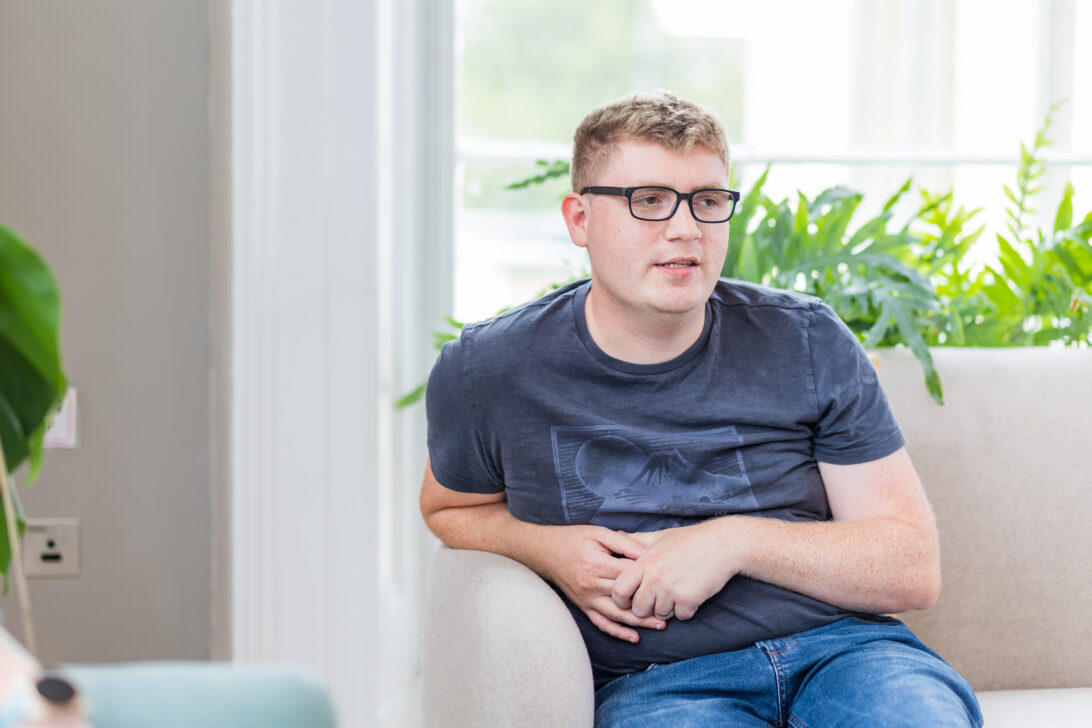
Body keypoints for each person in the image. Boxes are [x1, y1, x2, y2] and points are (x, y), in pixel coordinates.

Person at [420, 91, 982, 727]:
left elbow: (912, 568)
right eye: (649, 200)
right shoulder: (488, 368)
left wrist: (733, 541)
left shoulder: (806, 340)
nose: (685, 228)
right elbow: (450, 508)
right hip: (661, 685)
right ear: (579, 219)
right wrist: (547, 549)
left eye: (708, 202)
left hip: (848, 657)